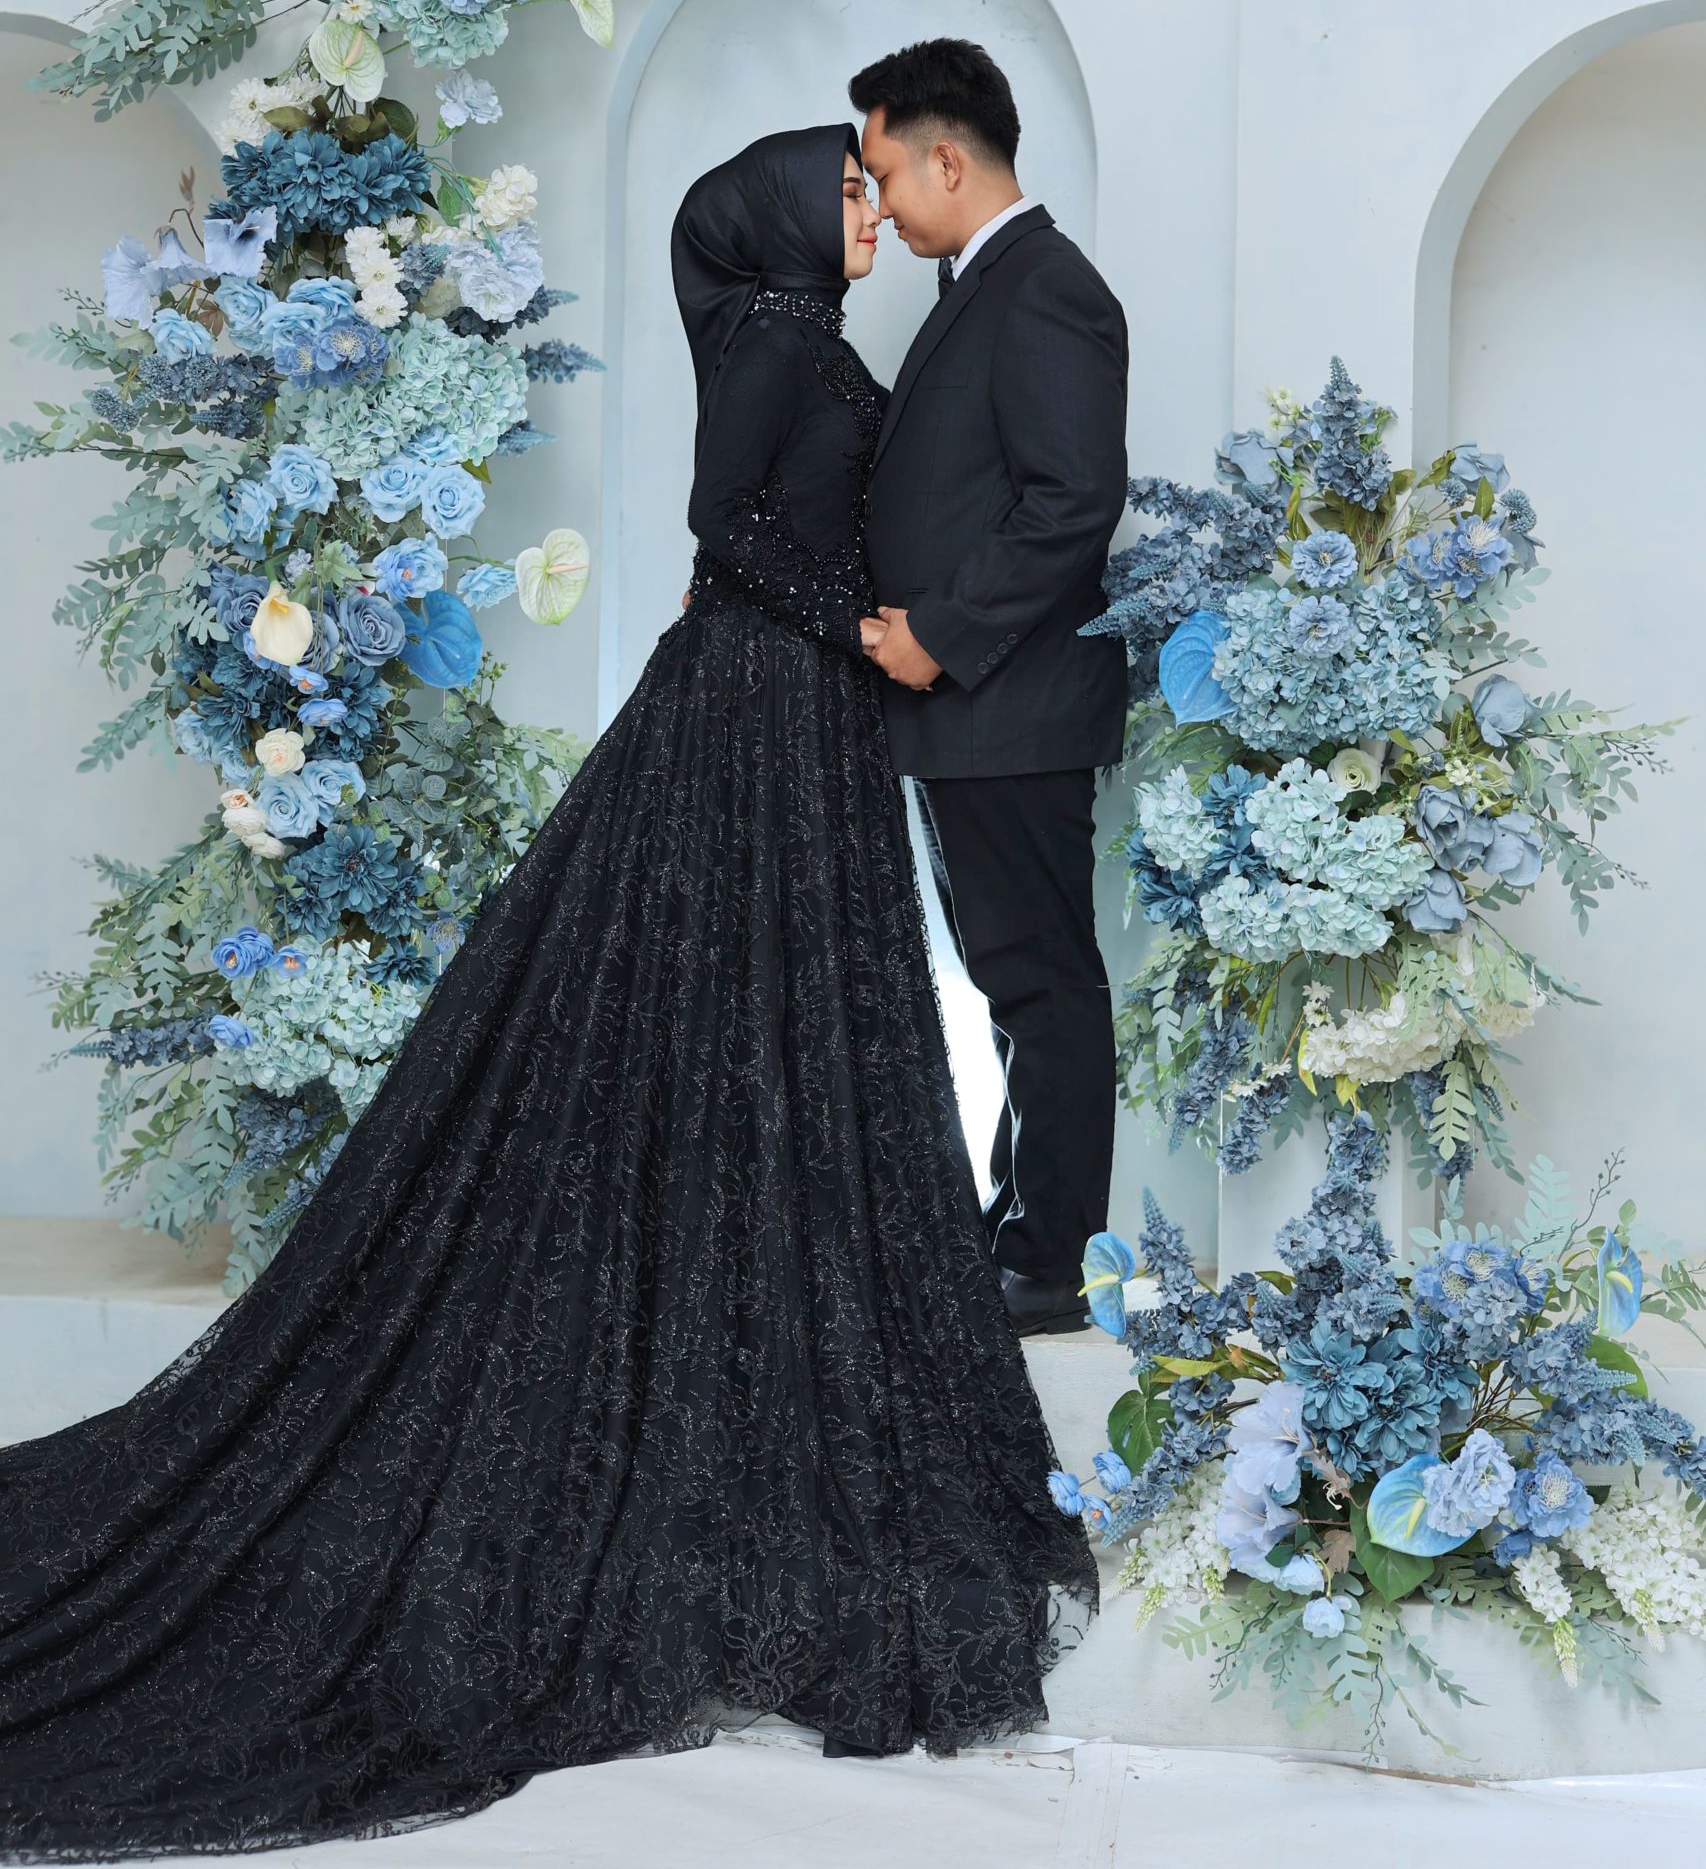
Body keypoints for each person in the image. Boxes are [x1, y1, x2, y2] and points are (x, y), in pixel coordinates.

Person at [0, 123, 1096, 1862]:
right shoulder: (770, 337)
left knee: (767, 1021)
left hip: (793, 712)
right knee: (707, 1009)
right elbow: (724, 525)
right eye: (842, 191)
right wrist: (855, 629)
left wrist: (866, 633)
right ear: (777, 214)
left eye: (871, 186)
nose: (866, 212)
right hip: (757, 706)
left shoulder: (797, 335)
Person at [854, 42, 1130, 1341]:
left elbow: (1072, 499)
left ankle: (1053, 1262)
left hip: (1008, 706)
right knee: (1011, 979)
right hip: (977, 713)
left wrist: (944, 636)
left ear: (947, 159)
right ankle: (1018, 1231)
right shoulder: (987, 283)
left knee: (1040, 981)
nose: (881, 203)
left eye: (885, 174)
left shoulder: (1044, 288)